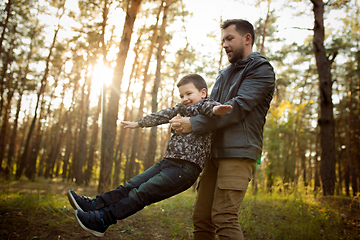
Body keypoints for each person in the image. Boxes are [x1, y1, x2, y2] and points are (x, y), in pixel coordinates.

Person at [67, 73, 232, 237]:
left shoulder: (205, 105)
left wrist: (218, 110)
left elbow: (212, 109)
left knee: (141, 193)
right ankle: (95, 204)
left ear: (203, 93)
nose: (185, 98)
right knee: (130, 185)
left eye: (189, 94)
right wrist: (139, 123)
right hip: (167, 163)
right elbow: (161, 115)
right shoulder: (181, 109)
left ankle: (102, 220)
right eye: (181, 95)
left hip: (185, 170)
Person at [169, 19, 276, 240]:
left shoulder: (261, 69)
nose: (225, 45)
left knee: (225, 218)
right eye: (223, 40)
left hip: (239, 152)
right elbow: (209, 108)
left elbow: (237, 108)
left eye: (230, 39)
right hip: (214, 153)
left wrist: (193, 125)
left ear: (247, 39)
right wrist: (183, 120)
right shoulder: (224, 74)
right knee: (202, 218)